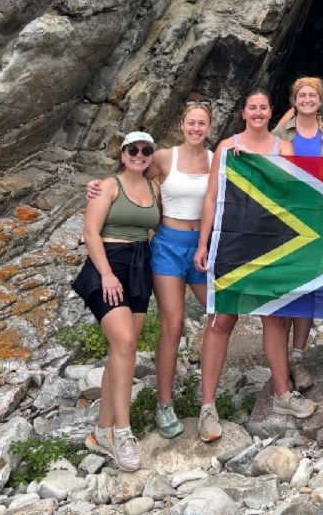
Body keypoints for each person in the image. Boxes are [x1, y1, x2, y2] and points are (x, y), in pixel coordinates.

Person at [86, 102, 214, 440]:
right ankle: (164, 404)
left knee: (218, 314)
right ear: (182, 125)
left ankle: (209, 401)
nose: (196, 128)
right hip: (167, 245)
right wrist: (96, 186)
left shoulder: (217, 160)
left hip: (201, 244)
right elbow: (129, 178)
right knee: (170, 325)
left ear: (210, 128)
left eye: (202, 123)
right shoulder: (163, 157)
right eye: (191, 122)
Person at [196, 88, 316, 438]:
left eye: (264, 107)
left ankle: (282, 393)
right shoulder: (226, 148)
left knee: (275, 318)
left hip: (271, 243)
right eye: (253, 107)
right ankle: (207, 407)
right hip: (232, 240)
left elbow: (292, 193)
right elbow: (211, 197)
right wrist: (203, 242)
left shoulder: (284, 148)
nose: (259, 112)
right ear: (243, 113)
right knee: (221, 319)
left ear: (271, 112)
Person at [73, 131, 160, 472]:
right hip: (107, 265)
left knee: (122, 349)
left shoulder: (155, 188)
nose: (140, 155)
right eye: (133, 150)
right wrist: (107, 274)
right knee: (124, 342)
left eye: (146, 150)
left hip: (140, 265)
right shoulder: (107, 186)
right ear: (123, 154)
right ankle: (123, 433)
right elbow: (90, 232)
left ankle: (100, 432)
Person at [273, 77, 323, 392]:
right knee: (287, 286)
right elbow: (259, 160)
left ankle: (298, 356)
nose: (307, 99)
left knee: (308, 289)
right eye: (301, 94)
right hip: (286, 222)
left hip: (320, 222)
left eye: (312, 95)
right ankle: (280, 357)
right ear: (294, 99)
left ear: (320, 100)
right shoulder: (279, 135)